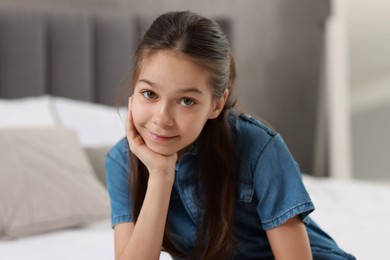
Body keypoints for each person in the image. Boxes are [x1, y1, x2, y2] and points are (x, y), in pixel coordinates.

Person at [105, 10, 356, 260]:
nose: (161, 118)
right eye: (149, 94)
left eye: (186, 101)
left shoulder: (259, 148)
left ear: (216, 104)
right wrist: (160, 176)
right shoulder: (121, 162)